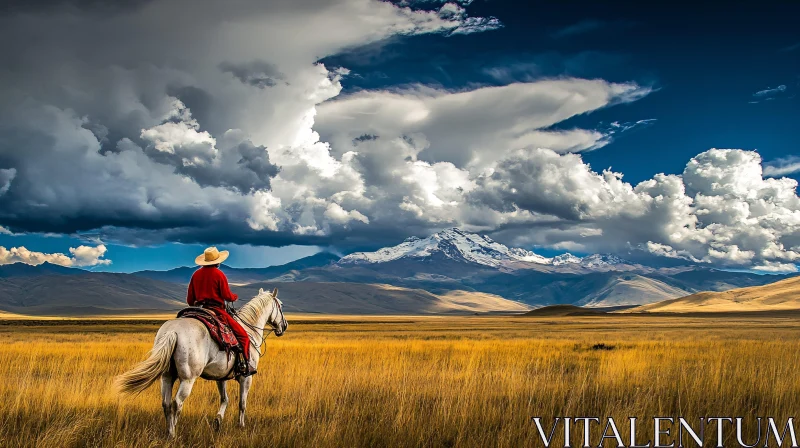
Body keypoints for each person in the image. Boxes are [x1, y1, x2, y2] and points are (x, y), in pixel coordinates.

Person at [186, 246, 256, 376]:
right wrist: (234, 297)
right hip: (217, 310)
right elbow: (227, 296)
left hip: (198, 310)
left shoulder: (195, 275)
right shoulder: (219, 274)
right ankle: (247, 365)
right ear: (217, 261)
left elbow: (190, 300)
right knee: (243, 336)